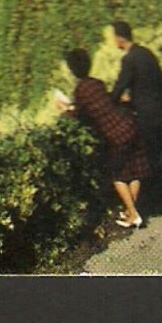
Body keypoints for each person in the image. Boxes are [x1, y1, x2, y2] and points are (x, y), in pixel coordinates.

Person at [56, 47, 149, 229]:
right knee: (135, 170)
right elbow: (104, 102)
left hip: (115, 135)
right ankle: (131, 211)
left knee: (118, 176)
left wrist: (64, 110)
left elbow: (81, 114)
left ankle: (134, 215)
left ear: (72, 70)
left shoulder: (79, 91)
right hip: (129, 124)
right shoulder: (97, 82)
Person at [110, 20, 162, 211]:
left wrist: (115, 100)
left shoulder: (128, 60)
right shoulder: (146, 53)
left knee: (154, 157)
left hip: (148, 116)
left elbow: (118, 90)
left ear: (119, 38)